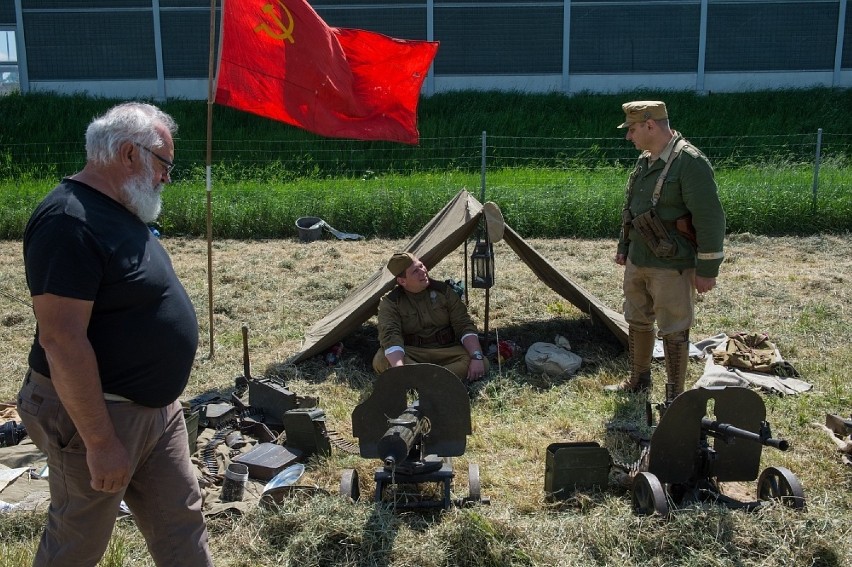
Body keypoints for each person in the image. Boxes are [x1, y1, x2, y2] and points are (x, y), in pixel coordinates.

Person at [17, 102, 214, 567]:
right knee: (78, 542)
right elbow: (61, 340)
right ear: (129, 153)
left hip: (155, 413)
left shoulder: (120, 208)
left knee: (181, 523)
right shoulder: (69, 222)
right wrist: (102, 443)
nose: (167, 176)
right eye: (164, 162)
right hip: (99, 416)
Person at [604, 100, 726, 402]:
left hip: (672, 264)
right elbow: (631, 208)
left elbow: (710, 219)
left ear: (650, 125)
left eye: (632, 129)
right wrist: (625, 247)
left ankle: (674, 395)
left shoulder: (689, 161)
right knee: (637, 319)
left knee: (673, 329)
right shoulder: (645, 161)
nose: (628, 136)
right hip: (640, 258)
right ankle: (638, 380)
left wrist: (708, 269)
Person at [372, 252, 489, 382]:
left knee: (482, 362)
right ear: (402, 281)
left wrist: (476, 357)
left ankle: (421, 381)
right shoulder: (391, 302)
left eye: (421, 266)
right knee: (381, 359)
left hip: (446, 350)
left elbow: (464, 325)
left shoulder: (444, 291)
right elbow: (390, 336)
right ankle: (440, 379)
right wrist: (400, 369)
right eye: (415, 271)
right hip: (413, 352)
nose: (423, 271)